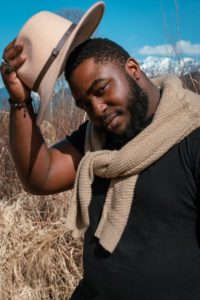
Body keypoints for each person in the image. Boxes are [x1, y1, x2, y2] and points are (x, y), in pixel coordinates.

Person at [1, 37, 200, 300]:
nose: (97, 109)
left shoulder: (192, 136)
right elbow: (40, 176)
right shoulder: (96, 137)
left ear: (133, 69)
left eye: (101, 89)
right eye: (84, 104)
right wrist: (20, 101)